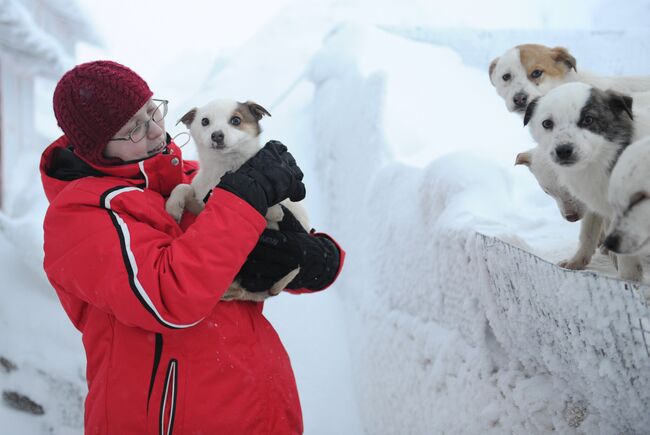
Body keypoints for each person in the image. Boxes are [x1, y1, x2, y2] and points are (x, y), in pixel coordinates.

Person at [40, 60, 344, 434]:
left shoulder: (186, 176)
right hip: (171, 420)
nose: (154, 131)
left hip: (259, 408)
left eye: (152, 111)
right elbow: (169, 297)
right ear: (96, 148)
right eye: (133, 128)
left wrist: (314, 257)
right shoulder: (80, 216)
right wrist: (244, 199)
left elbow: (248, 259)